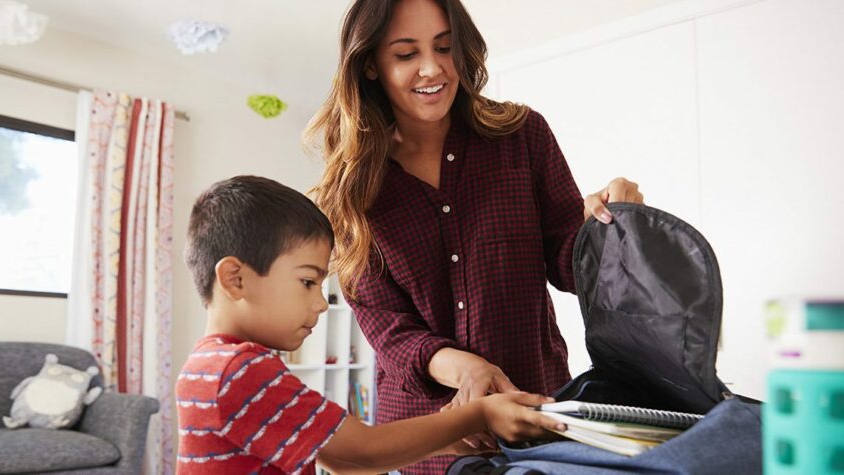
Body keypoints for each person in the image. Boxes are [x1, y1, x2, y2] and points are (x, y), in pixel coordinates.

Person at [306, 0, 644, 472]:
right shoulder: (353, 189)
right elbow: (390, 330)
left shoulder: (522, 137)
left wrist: (615, 226)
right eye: (406, 54)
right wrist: (466, 369)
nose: (433, 68)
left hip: (537, 416)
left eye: (445, 47)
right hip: (430, 439)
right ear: (370, 66)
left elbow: (571, 261)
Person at [175, 175, 566, 474]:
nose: (320, 304)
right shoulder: (240, 370)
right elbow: (357, 452)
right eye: (308, 282)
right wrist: (481, 415)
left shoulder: (208, 365)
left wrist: (451, 438)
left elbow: (335, 454)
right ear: (235, 279)